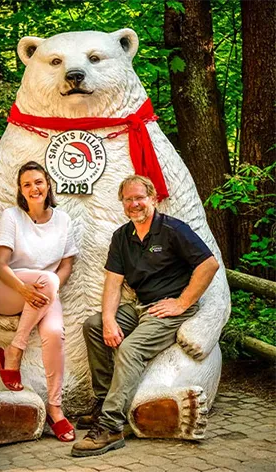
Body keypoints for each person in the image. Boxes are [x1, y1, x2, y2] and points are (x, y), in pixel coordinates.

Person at [71, 175, 219, 457]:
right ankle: (104, 403)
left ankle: (111, 426)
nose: (134, 204)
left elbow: (209, 265)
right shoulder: (122, 237)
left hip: (169, 309)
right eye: (128, 199)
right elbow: (113, 282)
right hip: (141, 306)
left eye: (140, 197)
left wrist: (181, 302)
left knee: (130, 348)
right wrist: (109, 320)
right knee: (93, 325)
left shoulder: (173, 230)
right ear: (123, 203)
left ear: (153, 198)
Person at [0, 161, 78, 442]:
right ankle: (16, 349)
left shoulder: (63, 220)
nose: (34, 188)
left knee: (54, 333)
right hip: (8, 289)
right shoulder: (11, 216)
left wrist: (50, 288)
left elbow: (66, 266)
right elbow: (0, 265)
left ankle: (55, 408)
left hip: (45, 291)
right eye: (27, 184)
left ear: (48, 184)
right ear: (21, 191)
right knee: (47, 279)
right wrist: (25, 290)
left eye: (38, 182)